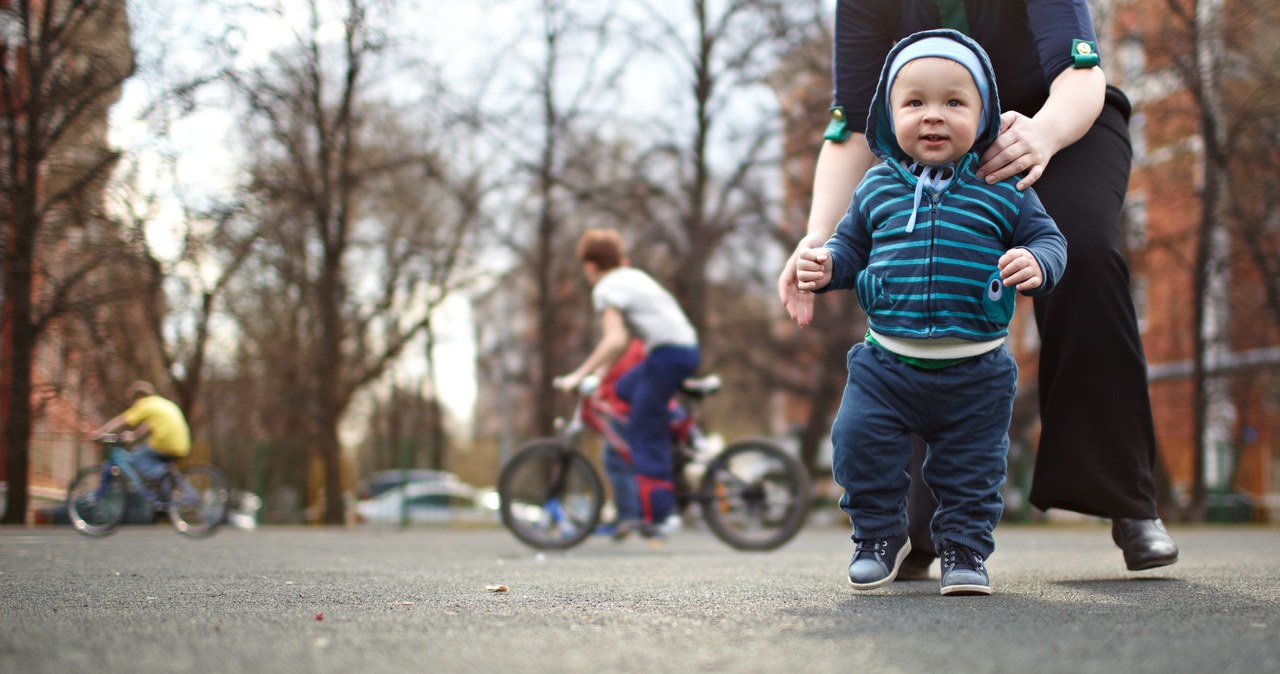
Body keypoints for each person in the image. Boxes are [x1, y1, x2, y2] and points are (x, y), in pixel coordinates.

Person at [779, 0, 1178, 576]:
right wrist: (816, 238)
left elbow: (1080, 72)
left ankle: (1128, 501)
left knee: (1081, 248)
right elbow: (853, 125)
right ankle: (920, 524)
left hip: (1054, 120)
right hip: (931, 134)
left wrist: (1042, 134)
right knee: (912, 257)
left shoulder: (1051, 118)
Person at [797, 29, 1066, 595]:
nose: (933, 116)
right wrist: (825, 267)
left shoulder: (1004, 184)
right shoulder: (875, 188)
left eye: (954, 102)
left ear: (985, 113)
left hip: (977, 371)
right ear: (889, 113)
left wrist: (1037, 262)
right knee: (856, 441)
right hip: (886, 365)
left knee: (972, 472)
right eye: (914, 102)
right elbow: (850, 249)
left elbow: (1049, 239)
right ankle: (876, 537)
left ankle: (964, 554)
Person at [555, 229, 700, 534]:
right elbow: (619, 344)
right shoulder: (631, 276)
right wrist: (600, 375)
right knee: (624, 389)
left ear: (591, 267)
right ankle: (674, 429)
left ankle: (663, 515)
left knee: (642, 432)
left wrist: (578, 375)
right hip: (678, 350)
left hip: (669, 355)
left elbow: (615, 339)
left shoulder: (606, 287)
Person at [88, 381, 192, 487]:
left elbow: (122, 420)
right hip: (183, 445)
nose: (134, 405)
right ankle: (164, 495)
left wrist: (101, 432)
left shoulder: (145, 403)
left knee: (137, 457)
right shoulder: (162, 403)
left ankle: (164, 472)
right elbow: (148, 425)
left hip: (165, 442)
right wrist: (134, 435)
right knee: (152, 463)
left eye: (134, 401)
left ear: (139, 396)